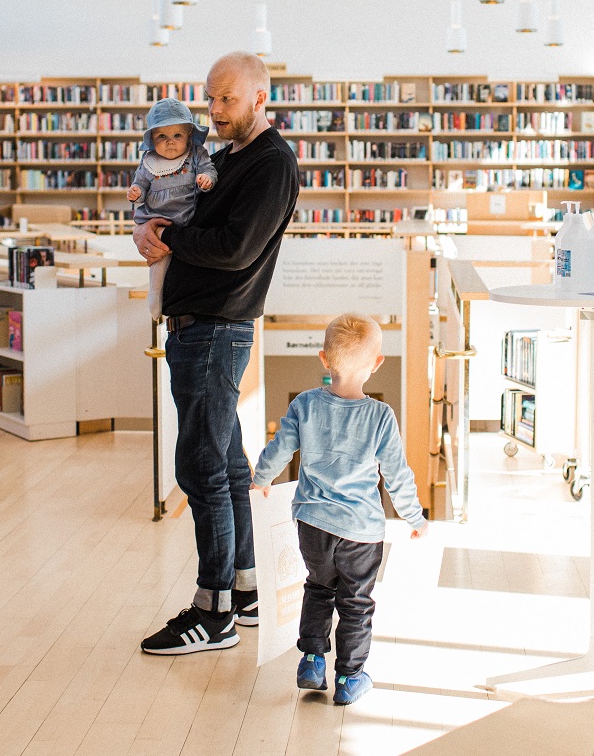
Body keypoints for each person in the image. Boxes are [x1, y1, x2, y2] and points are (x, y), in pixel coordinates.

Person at [137, 51, 299, 656]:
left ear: (260, 98)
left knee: (199, 469)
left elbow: (234, 249)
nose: (212, 111)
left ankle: (215, 611)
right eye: (208, 98)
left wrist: (170, 235)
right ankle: (246, 589)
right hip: (198, 327)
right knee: (226, 467)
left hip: (213, 330)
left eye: (225, 100)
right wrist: (150, 225)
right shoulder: (225, 157)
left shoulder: (271, 163)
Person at [251, 313, 428, 706]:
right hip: (362, 532)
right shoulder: (381, 417)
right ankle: (349, 677)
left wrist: (261, 480)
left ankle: (312, 660)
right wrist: (415, 518)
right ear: (377, 363)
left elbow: (279, 448)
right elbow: (397, 475)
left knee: (317, 588)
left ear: (323, 359)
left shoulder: (306, 405)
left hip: (312, 525)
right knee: (356, 603)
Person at [127, 98, 217, 321]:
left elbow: (210, 170)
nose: (170, 142)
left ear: (188, 135)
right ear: (152, 139)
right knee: (158, 264)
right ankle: (156, 299)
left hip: (187, 217)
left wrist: (207, 178)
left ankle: (179, 301)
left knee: (185, 267)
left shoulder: (196, 154)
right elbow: (141, 184)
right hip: (157, 218)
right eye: (162, 137)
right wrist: (136, 191)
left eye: (177, 135)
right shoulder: (148, 160)